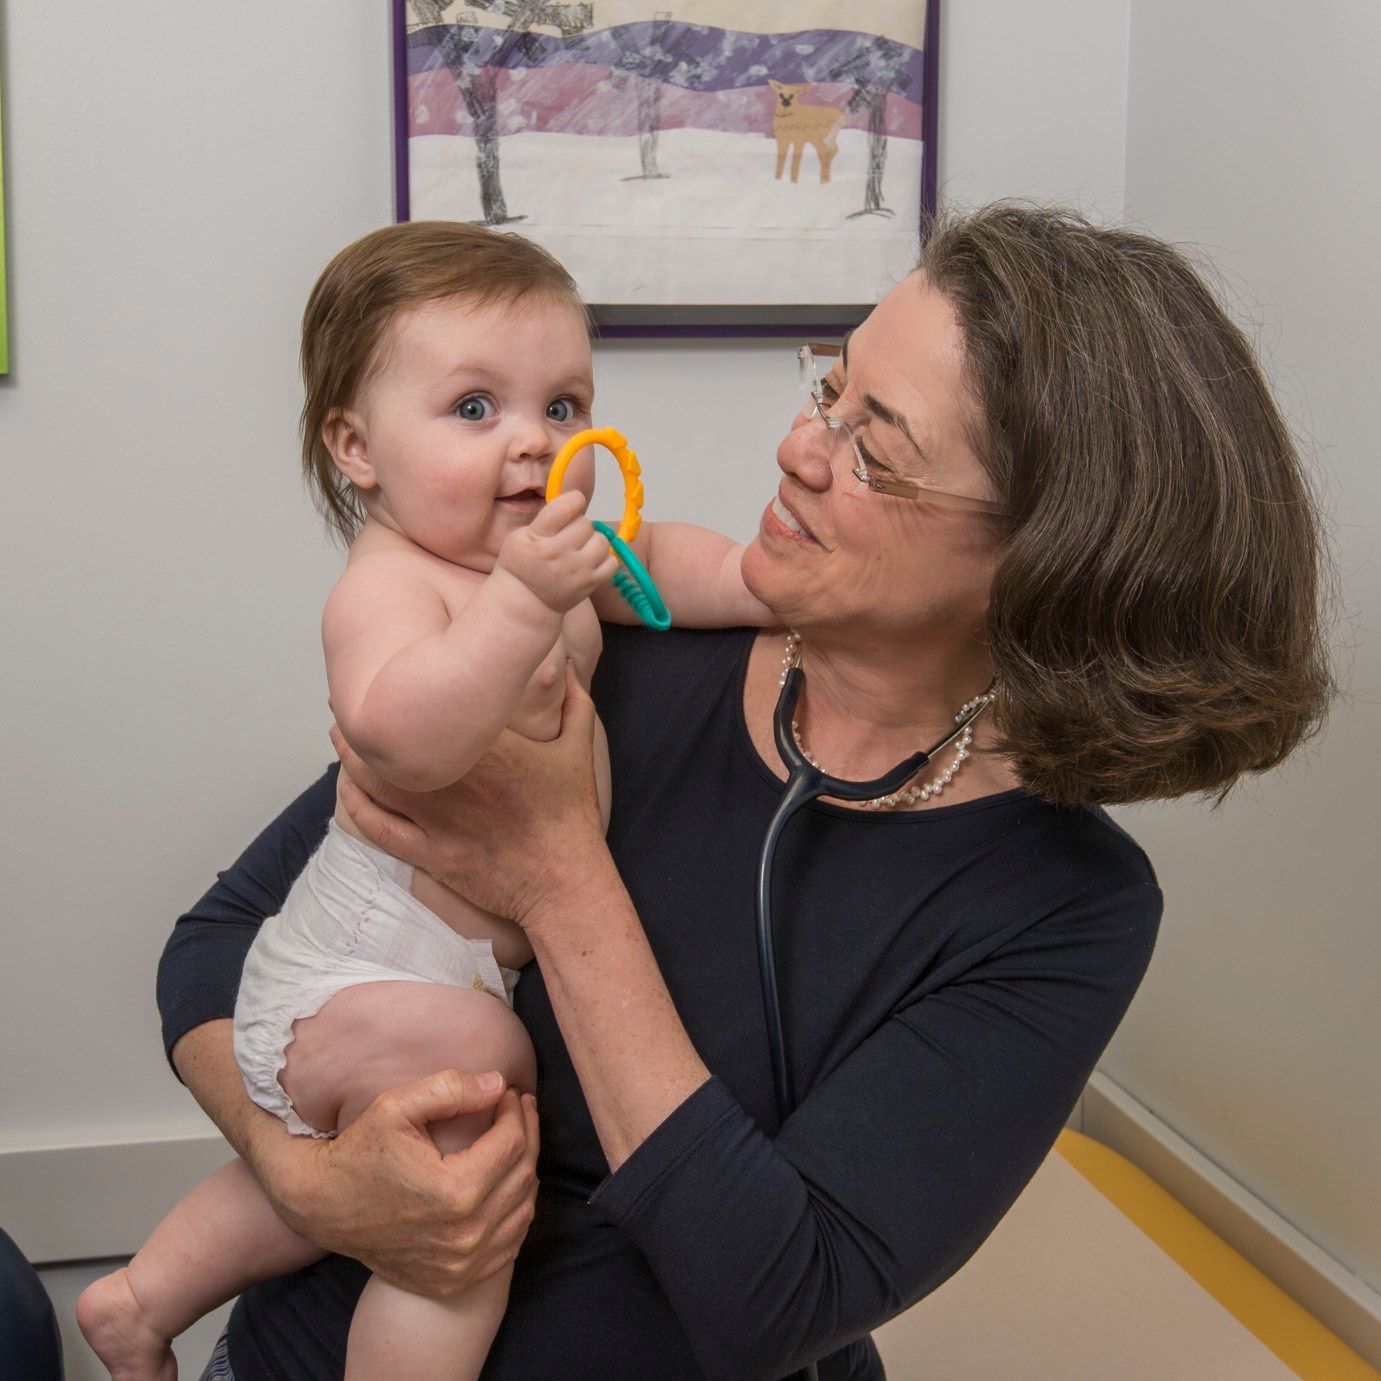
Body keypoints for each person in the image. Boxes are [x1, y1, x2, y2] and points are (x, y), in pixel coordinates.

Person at [155, 204, 1332, 1381]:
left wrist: (558, 873)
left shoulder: (1059, 903)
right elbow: (219, 948)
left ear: (1047, 556)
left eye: (874, 445)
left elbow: (772, 1301)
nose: (797, 447)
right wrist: (316, 1182)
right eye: (828, 387)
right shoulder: (597, 641)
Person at [77, 221, 771, 1381]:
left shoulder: (553, 550)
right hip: (359, 965)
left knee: (337, 1174)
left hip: (432, 960)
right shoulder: (389, 586)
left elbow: (664, 559)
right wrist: (516, 607)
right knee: (466, 1173)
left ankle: (142, 1297)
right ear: (356, 447)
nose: (530, 444)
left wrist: (757, 581)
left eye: (561, 408)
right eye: (472, 409)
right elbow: (399, 733)